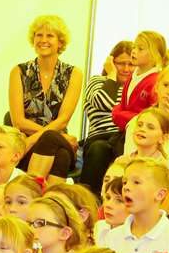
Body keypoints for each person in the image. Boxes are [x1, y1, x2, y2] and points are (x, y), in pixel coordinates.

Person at [7, 14, 83, 179]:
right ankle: (52, 201)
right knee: (61, 156)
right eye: (39, 35)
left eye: (50, 35)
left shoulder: (74, 74)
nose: (43, 39)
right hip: (37, 142)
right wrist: (54, 136)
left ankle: (31, 191)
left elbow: (63, 121)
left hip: (33, 142)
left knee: (52, 141)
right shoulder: (18, 72)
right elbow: (18, 121)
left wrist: (35, 138)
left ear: (60, 42)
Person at [77, 40, 134, 191]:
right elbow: (102, 101)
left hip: (125, 137)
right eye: (121, 63)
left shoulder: (135, 88)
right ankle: (89, 197)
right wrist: (112, 77)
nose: (126, 69)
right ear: (111, 62)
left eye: (131, 64)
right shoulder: (98, 81)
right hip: (100, 136)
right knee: (99, 149)